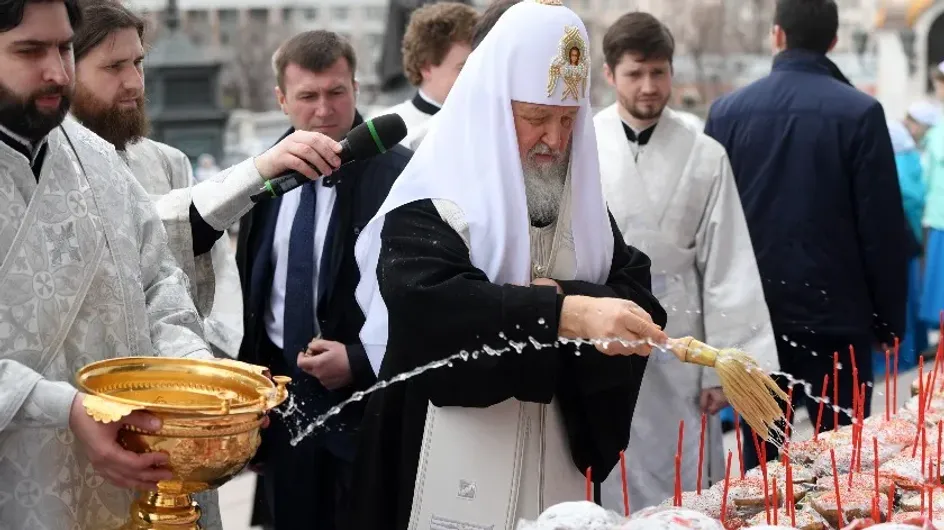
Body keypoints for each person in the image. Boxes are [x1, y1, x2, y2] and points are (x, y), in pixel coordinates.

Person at [348, 2, 668, 528]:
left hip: (554, 460)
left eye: (568, 120)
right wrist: (566, 312)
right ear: (494, 108)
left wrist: (560, 296)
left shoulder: (580, 204)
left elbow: (636, 289)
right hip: (438, 456)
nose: (556, 141)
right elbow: (430, 307)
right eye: (536, 118)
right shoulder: (435, 197)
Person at [0, 0, 225, 526]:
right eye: (30, 50)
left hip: (128, 477)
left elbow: (159, 290)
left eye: (63, 48)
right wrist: (67, 408)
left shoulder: (96, 159)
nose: (57, 71)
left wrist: (198, 377)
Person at [704, 0, 909, 468]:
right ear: (834, 41)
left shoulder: (727, 113)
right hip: (838, 322)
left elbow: (714, 227)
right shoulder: (860, 113)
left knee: (762, 476)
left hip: (757, 322)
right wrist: (889, 323)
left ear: (777, 35)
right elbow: (881, 230)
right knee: (840, 470)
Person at [594, 12, 779, 511]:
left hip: (686, 335)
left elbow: (729, 265)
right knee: (611, 470)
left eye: (659, 71)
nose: (649, 86)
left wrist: (724, 367)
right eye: (635, 73)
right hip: (603, 331)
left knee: (687, 477)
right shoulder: (582, 146)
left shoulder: (705, 153)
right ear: (609, 74)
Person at [234, 30, 411, 529]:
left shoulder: (399, 176)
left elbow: (421, 298)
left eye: (337, 92)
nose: (324, 110)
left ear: (357, 88)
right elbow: (257, 293)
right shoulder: (260, 178)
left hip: (364, 417)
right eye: (308, 96)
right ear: (282, 100)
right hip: (281, 414)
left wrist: (359, 359)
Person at [70, 0, 243, 359]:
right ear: (65, 70)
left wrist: (208, 368)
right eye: (114, 67)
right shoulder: (39, 169)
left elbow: (210, 284)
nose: (134, 83)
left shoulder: (168, 163)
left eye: (138, 63)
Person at [370, 1, 477, 148]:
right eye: (463, 68)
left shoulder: (495, 124)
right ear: (426, 67)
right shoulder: (384, 134)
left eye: (479, 66)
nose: (476, 76)